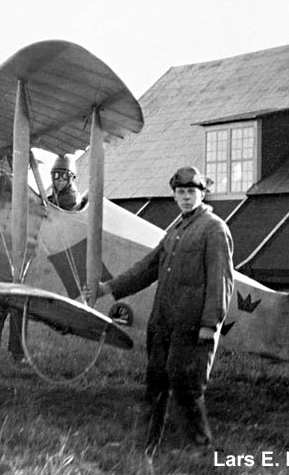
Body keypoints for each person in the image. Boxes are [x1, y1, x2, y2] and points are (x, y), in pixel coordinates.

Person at [94, 165, 234, 456]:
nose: (185, 197)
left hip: (192, 326)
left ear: (202, 194)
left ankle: (199, 449)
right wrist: (108, 288)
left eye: (191, 192)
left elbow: (221, 280)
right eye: (180, 192)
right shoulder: (176, 231)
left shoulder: (214, 229)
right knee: (155, 383)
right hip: (163, 323)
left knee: (187, 388)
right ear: (174, 195)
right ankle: (144, 444)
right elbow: (148, 266)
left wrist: (211, 324)